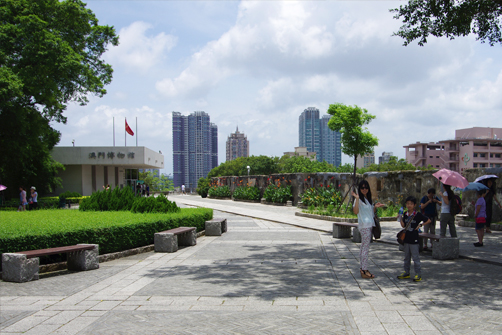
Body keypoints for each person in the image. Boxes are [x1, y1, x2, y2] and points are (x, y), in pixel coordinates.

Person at [351, 180, 385, 279]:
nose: (364, 189)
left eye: (366, 188)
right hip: (364, 226)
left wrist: (374, 207)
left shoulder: (367, 199)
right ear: (359, 189)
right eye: (362, 188)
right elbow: (356, 211)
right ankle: (364, 270)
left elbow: (369, 212)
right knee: (365, 248)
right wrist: (357, 198)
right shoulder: (359, 199)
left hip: (369, 225)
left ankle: (363, 268)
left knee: (363, 248)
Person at [397, 196, 431, 282]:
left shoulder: (418, 214)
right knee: (406, 257)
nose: (409, 205)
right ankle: (406, 272)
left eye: (411, 204)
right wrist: (400, 217)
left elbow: (428, 220)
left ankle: (418, 274)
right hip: (406, 238)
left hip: (414, 239)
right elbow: (403, 225)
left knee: (415, 257)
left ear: (414, 205)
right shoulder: (405, 214)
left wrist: (420, 225)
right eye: (408, 203)